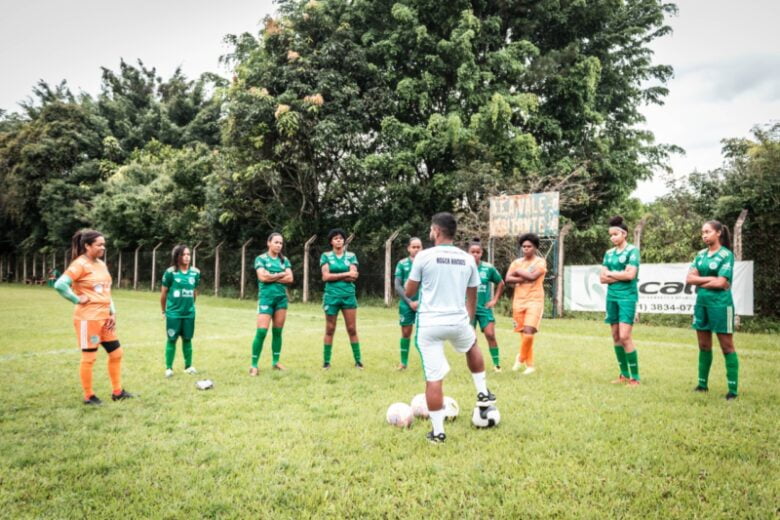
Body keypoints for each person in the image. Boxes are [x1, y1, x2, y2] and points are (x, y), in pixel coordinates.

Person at [405, 212, 497, 444]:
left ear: (435, 231)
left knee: (434, 378)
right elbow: (473, 294)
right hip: (458, 320)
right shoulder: (467, 259)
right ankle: (482, 392)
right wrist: (469, 319)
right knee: (472, 345)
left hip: (430, 324)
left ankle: (438, 433)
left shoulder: (423, 256)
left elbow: (409, 291)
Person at [54, 229, 134, 405]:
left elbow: (106, 290)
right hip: (88, 319)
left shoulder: (101, 264)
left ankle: (117, 392)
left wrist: (112, 312)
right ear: (87, 246)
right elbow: (60, 284)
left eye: (104, 244)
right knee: (90, 357)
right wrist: (76, 299)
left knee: (116, 353)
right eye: (99, 244)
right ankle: (89, 396)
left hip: (105, 318)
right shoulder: (79, 264)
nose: (103, 247)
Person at [686, 220, 739, 400]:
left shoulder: (726, 255)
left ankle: (732, 390)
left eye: (707, 232)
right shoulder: (700, 255)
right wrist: (710, 280)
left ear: (718, 233)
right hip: (701, 304)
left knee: (726, 346)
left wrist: (702, 280)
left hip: (721, 305)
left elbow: (722, 282)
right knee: (704, 345)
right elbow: (689, 279)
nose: (704, 235)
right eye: (702, 232)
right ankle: (702, 385)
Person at [599, 216, 641, 386]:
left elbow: (631, 275)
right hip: (612, 297)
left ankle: (635, 377)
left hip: (627, 297)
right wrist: (619, 275)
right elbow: (602, 278)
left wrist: (611, 274)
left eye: (615, 234)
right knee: (616, 336)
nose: (612, 238)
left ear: (624, 234)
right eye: (611, 235)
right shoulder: (609, 253)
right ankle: (623, 374)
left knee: (625, 336)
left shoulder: (632, 251)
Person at [250, 232, 294, 375]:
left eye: (281, 243)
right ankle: (254, 365)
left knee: (277, 331)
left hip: (281, 299)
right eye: (276, 242)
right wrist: (281, 274)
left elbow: (290, 278)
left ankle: (276, 362)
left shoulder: (284, 260)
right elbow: (262, 277)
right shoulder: (261, 259)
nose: (279, 245)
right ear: (268, 243)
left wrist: (272, 276)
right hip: (266, 299)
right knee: (262, 331)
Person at [505, 233, 547, 375]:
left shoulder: (540, 262)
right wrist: (520, 274)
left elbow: (533, 277)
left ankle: (521, 357)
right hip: (519, 301)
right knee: (523, 334)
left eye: (529, 246)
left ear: (535, 247)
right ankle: (530, 365)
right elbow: (508, 279)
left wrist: (518, 273)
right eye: (523, 246)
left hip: (535, 300)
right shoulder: (516, 263)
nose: (526, 249)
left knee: (529, 332)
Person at [321, 228, 362, 369]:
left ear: (344, 241)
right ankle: (326, 362)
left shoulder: (351, 256)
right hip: (331, 296)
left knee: (352, 329)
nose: (338, 240)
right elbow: (325, 277)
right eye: (335, 238)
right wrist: (346, 274)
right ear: (331, 242)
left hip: (348, 296)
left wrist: (336, 275)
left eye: (341, 238)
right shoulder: (325, 256)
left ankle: (358, 361)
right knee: (330, 329)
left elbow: (354, 275)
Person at [160, 245, 200, 378]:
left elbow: (194, 292)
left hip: (189, 313)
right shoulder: (170, 272)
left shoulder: (195, 272)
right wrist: (163, 311)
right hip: (173, 313)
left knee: (187, 339)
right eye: (184, 254)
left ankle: (188, 366)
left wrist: (191, 307)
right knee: (172, 339)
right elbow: (164, 293)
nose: (187, 257)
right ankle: (169, 368)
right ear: (177, 256)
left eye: (189, 254)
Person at [467, 238, 505, 371]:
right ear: (468, 253)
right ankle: (475, 366)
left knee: (490, 334)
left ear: (481, 253)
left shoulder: (488, 268)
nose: (475, 254)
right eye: (472, 252)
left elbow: (501, 283)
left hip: (484, 308)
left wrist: (494, 300)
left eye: (477, 252)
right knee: (471, 339)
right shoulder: (463, 267)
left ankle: (497, 364)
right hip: (468, 309)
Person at [394, 237, 423, 370]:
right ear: (408, 248)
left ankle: (426, 363)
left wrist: (421, 301)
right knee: (406, 333)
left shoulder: (426, 263)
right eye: (414, 247)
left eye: (419, 247)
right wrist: (410, 302)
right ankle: (403, 363)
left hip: (424, 304)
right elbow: (398, 285)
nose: (416, 249)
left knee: (424, 334)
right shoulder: (402, 264)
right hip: (407, 304)